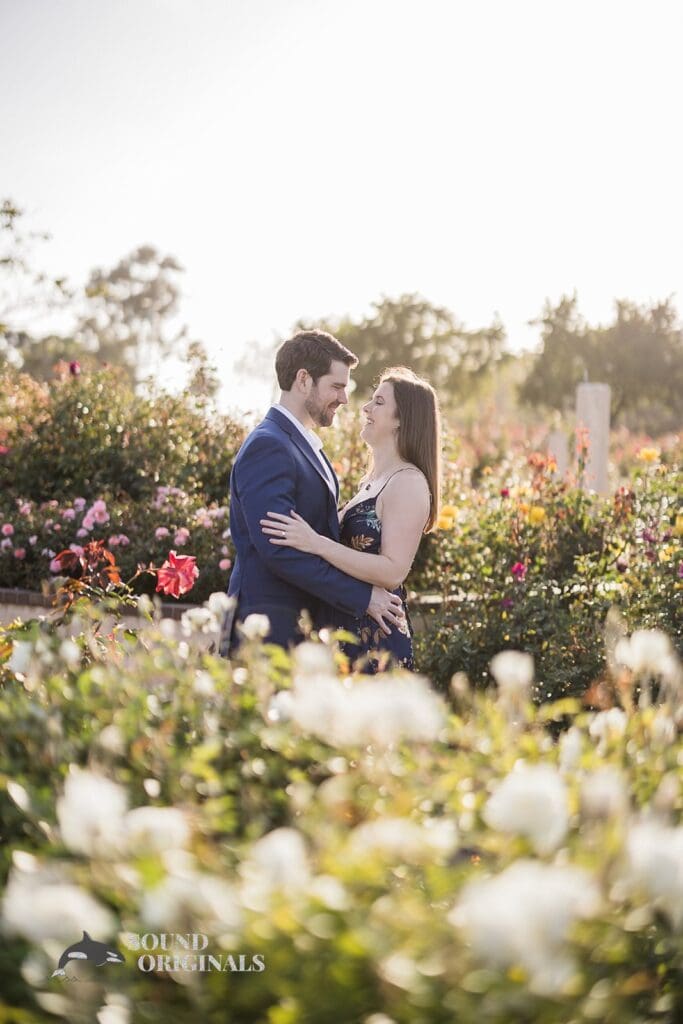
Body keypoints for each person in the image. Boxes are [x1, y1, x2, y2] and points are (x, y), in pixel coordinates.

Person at [221, 330, 405, 655]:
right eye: (336, 386)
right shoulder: (269, 445)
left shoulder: (300, 444)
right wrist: (362, 596)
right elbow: (280, 549)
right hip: (267, 632)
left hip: (300, 630)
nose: (345, 398)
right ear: (303, 380)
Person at [260, 366, 441, 671]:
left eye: (379, 402)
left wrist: (316, 544)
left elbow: (393, 571)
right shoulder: (371, 482)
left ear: (402, 419)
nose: (366, 408)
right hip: (346, 632)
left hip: (376, 641)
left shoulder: (408, 482)